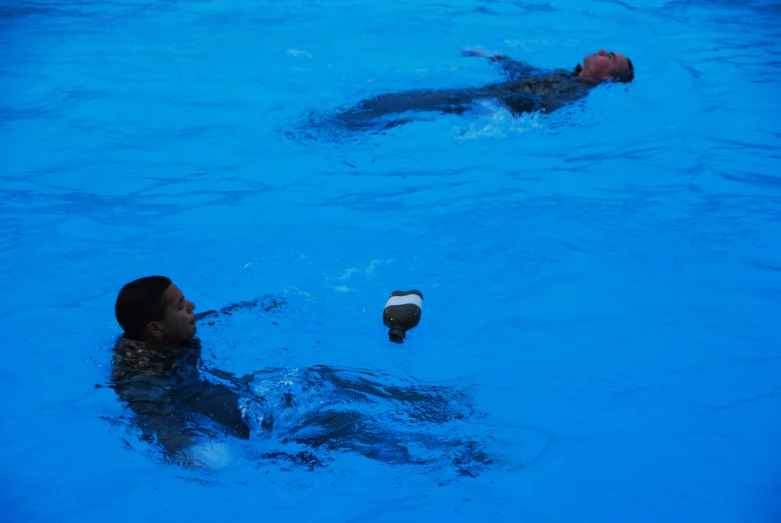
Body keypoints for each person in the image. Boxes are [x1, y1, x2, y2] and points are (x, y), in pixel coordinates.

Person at [109, 276, 488, 472]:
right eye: (180, 306)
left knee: (324, 376)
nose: (192, 306)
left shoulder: (160, 336)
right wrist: (189, 452)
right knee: (339, 423)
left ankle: (435, 404)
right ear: (155, 329)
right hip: (232, 419)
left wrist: (248, 307)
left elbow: (201, 319)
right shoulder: (141, 374)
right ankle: (451, 459)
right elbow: (151, 415)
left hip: (231, 392)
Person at [332, 48, 634, 131]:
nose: (602, 51)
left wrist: (498, 105)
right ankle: (353, 126)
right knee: (410, 107)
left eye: (609, 58)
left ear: (608, 79)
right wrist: (495, 57)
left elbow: (540, 106)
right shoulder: (562, 74)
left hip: (487, 103)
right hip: (484, 98)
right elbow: (525, 74)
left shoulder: (577, 91)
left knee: (402, 104)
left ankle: (340, 126)